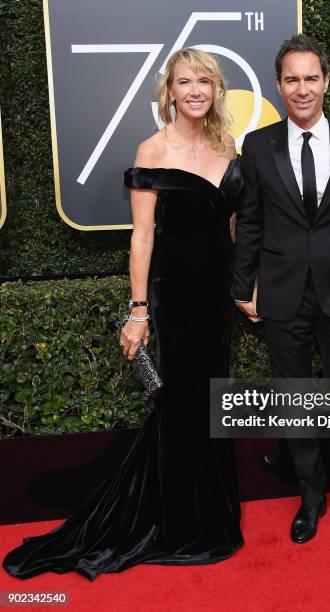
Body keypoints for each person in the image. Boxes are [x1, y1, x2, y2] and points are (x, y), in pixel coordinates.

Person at [3, 48, 244, 580]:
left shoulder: (227, 144)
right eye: (186, 82)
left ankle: (211, 514)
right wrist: (138, 312)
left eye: (205, 81)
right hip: (175, 296)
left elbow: (228, 226)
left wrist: (241, 283)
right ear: (171, 92)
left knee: (211, 397)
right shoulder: (152, 149)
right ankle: (179, 521)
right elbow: (142, 236)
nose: (196, 91)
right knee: (180, 403)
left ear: (216, 88)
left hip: (215, 296)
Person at [232, 34, 330, 544]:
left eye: (311, 78)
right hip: (282, 295)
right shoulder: (257, 146)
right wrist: (243, 286)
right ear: (278, 86)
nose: (303, 89)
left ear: (326, 82)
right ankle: (310, 498)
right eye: (292, 79)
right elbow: (250, 221)